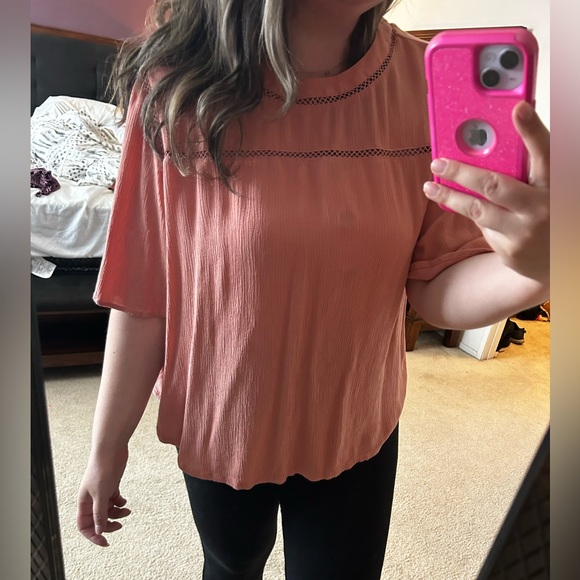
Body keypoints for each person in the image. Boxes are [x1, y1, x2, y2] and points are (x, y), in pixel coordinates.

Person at [76, 0, 550, 578]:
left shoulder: (428, 86)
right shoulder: (174, 87)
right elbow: (145, 291)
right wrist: (107, 447)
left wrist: (539, 267)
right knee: (230, 565)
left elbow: (436, 282)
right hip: (223, 419)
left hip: (354, 420)